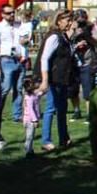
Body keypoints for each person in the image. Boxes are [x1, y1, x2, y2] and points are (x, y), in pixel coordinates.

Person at [36, 9, 78, 152]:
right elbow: (44, 57)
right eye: (67, 20)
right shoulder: (54, 37)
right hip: (55, 78)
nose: (70, 23)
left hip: (63, 78)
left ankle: (63, 138)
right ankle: (46, 140)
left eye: (71, 20)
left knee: (62, 109)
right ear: (59, 21)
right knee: (51, 108)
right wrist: (45, 80)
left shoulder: (64, 36)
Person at [0, 4, 28, 124]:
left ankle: (17, 115)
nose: (11, 15)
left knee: (19, 88)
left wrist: (25, 53)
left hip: (19, 59)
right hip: (6, 59)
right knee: (5, 88)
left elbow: (25, 41)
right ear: (2, 14)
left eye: (13, 12)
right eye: (8, 13)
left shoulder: (19, 26)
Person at [68, 10, 97, 121]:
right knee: (72, 89)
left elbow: (96, 42)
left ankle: (89, 113)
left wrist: (87, 36)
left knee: (88, 89)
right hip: (74, 62)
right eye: (78, 20)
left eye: (83, 20)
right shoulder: (71, 27)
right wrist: (75, 33)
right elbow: (67, 41)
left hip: (88, 61)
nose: (81, 22)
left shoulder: (91, 27)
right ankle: (76, 111)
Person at [21, 77, 41, 158]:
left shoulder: (30, 96)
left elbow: (38, 95)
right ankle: (28, 152)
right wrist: (35, 120)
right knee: (30, 136)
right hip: (30, 121)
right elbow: (30, 110)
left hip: (26, 119)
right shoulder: (29, 98)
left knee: (28, 136)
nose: (36, 84)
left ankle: (29, 149)